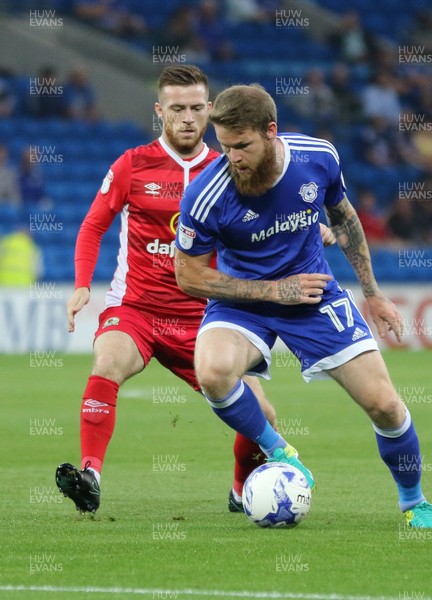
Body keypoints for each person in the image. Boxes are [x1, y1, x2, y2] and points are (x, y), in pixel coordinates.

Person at [55, 65, 335, 515]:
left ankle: (241, 490)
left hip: (209, 317)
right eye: (176, 108)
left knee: (262, 415)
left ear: (209, 110)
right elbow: (93, 225)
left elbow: (275, 216)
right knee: (107, 361)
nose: (187, 118)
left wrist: (312, 226)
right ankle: (90, 475)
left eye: (195, 108)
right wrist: (82, 285)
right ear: (159, 111)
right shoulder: (132, 164)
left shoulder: (231, 171)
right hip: (137, 308)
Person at [174, 84, 432, 529]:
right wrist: (271, 291)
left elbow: (342, 216)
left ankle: (414, 501)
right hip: (245, 300)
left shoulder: (317, 157)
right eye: (224, 147)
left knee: (384, 404)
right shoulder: (207, 193)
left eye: (242, 146)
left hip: (312, 294)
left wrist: (373, 293)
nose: (233, 158)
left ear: (271, 131)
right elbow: (187, 275)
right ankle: (282, 451)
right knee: (212, 371)